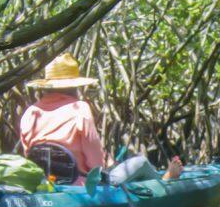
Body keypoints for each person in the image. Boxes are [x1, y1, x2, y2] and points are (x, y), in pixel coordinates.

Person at [21, 53, 182, 184]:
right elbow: (95, 165)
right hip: (85, 185)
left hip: (43, 183)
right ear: (74, 86)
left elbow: (30, 153)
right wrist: (108, 166)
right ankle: (165, 182)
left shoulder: (30, 113)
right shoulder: (80, 109)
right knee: (141, 162)